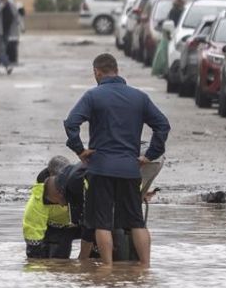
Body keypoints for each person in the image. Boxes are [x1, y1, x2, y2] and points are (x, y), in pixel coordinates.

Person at [64, 53, 170, 267]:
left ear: (97, 72)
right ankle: (145, 268)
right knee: (136, 221)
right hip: (130, 170)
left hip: (100, 169)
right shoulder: (139, 97)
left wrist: (80, 151)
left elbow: (71, 123)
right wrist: (149, 155)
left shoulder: (93, 96)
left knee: (102, 222)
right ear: (117, 71)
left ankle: (108, 269)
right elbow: (163, 126)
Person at [25, 156, 90, 259]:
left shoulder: (81, 183)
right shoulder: (39, 198)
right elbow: (33, 234)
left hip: (81, 224)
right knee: (57, 260)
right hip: (57, 230)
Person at [0, 0, 18, 75]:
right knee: (2, 50)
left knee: (1, 51)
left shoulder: (10, 5)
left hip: (6, 31)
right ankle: (8, 66)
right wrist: (2, 5)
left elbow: (15, 15)